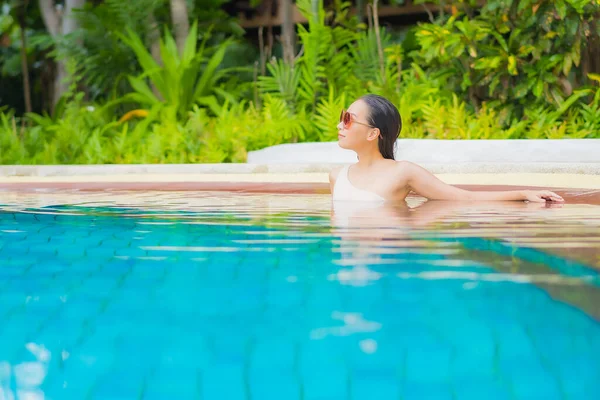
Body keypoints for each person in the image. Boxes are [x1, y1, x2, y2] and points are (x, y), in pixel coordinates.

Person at [329, 94, 565, 203]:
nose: (340, 124)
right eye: (343, 118)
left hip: (387, 262)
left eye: (348, 119)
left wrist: (522, 194)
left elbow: (463, 197)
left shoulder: (402, 172)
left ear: (373, 133)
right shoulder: (336, 176)